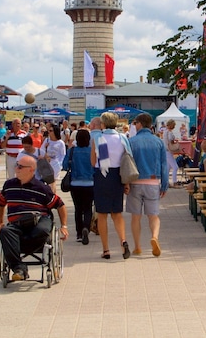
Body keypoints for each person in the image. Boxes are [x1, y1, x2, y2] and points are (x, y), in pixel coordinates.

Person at [0, 155, 69, 281]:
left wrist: (64, 226)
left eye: (20, 166)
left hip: (38, 221)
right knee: (5, 231)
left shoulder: (42, 188)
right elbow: (0, 203)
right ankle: (19, 268)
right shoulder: (9, 185)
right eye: (17, 165)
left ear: (31, 169)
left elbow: (60, 205)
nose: (16, 168)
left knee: (43, 229)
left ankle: (30, 244)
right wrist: (0, 223)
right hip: (17, 224)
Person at [127, 113, 168, 257]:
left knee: (135, 217)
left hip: (135, 182)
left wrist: (125, 183)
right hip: (153, 181)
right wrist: (164, 185)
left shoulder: (131, 142)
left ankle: (137, 246)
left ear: (139, 124)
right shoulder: (158, 142)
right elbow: (164, 165)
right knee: (153, 215)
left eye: (135, 123)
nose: (134, 126)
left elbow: (126, 164)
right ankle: (154, 237)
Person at [90, 111, 130, 259]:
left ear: (103, 124)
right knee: (117, 214)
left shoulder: (97, 138)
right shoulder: (122, 138)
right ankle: (123, 241)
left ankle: (106, 250)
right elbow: (127, 159)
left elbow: (93, 162)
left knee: (102, 215)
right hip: (118, 176)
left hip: (102, 175)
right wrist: (127, 182)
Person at [64, 128, 94, 245]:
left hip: (75, 183)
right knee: (87, 208)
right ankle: (86, 226)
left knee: (78, 208)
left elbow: (65, 165)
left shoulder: (72, 151)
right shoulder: (92, 151)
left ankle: (79, 233)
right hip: (90, 183)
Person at [39, 125, 66, 192]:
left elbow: (63, 155)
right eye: (48, 131)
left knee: (52, 182)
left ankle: (53, 196)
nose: (49, 132)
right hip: (47, 164)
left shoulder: (60, 143)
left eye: (51, 131)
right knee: (48, 182)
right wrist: (45, 148)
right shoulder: (47, 140)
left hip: (56, 164)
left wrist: (60, 164)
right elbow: (41, 151)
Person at [163, 119, 180, 185]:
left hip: (166, 150)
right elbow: (171, 140)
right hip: (169, 150)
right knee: (175, 167)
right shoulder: (169, 132)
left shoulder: (165, 131)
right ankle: (174, 181)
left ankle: (166, 182)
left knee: (168, 168)